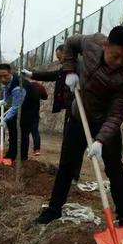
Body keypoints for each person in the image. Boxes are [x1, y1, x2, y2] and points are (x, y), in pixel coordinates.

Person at [36, 26, 123, 225]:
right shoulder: (92, 43)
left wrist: (100, 140)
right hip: (78, 115)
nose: (119, 62)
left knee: (115, 168)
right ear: (105, 45)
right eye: (115, 55)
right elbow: (71, 44)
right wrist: (70, 71)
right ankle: (54, 208)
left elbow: (116, 114)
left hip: (105, 124)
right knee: (67, 164)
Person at [22, 45, 83, 181]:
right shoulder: (65, 69)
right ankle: (65, 172)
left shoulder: (81, 68)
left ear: (67, 55)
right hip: (71, 109)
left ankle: (73, 175)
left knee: (75, 143)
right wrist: (32, 74)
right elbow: (52, 75)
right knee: (67, 141)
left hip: (81, 110)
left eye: (60, 58)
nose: (59, 61)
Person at [0, 63, 40, 161]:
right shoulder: (8, 82)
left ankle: (22, 158)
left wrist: (5, 119)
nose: (2, 79)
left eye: (5, 76)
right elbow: (6, 90)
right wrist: (5, 100)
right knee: (12, 130)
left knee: (23, 133)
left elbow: (15, 107)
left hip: (29, 110)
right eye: (0, 76)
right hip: (20, 106)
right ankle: (11, 154)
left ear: (10, 73)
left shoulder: (19, 86)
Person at [29, 80, 48, 156]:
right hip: (35, 112)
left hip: (25, 112)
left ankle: (23, 149)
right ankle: (37, 150)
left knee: (24, 132)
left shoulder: (26, 85)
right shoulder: (40, 86)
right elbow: (45, 97)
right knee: (35, 131)